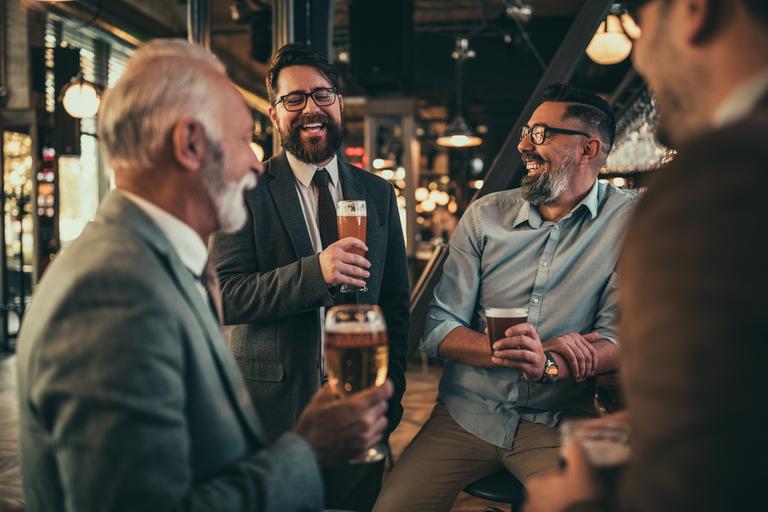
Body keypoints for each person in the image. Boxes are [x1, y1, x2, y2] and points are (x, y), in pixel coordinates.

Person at [15, 39, 393, 512]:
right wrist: (309, 450)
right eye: (241, 141)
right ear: (191, 144)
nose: (255, 164)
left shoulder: (155, 263)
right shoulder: (111, 295)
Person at [523, 1, 768, 511]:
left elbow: (692, 481)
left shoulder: (717, 181)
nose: (642, 60)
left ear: (693, 11)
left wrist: (576, 502)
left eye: (643, 26)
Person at [374, 83, 639, 511]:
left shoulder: (627, 220)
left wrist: (549, 364)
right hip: (465, 416)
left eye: (540, 134)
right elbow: (439, 329)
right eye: (525, 133)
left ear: (589, 149)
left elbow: (615, 340)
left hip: (557, 422)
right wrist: (515, 353)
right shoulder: (485, 216)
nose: (523, 146)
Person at [208, 43, 409, 510]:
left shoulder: (378, 194)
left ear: (339, 103)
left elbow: (394, 305)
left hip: (361, 411)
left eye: (322, 95)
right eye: (293, 99)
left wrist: (390, 399)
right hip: (273, 416)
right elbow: (227, 295)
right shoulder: (247, 188)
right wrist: (314, 273)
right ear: (275, 114)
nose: (310, 109)